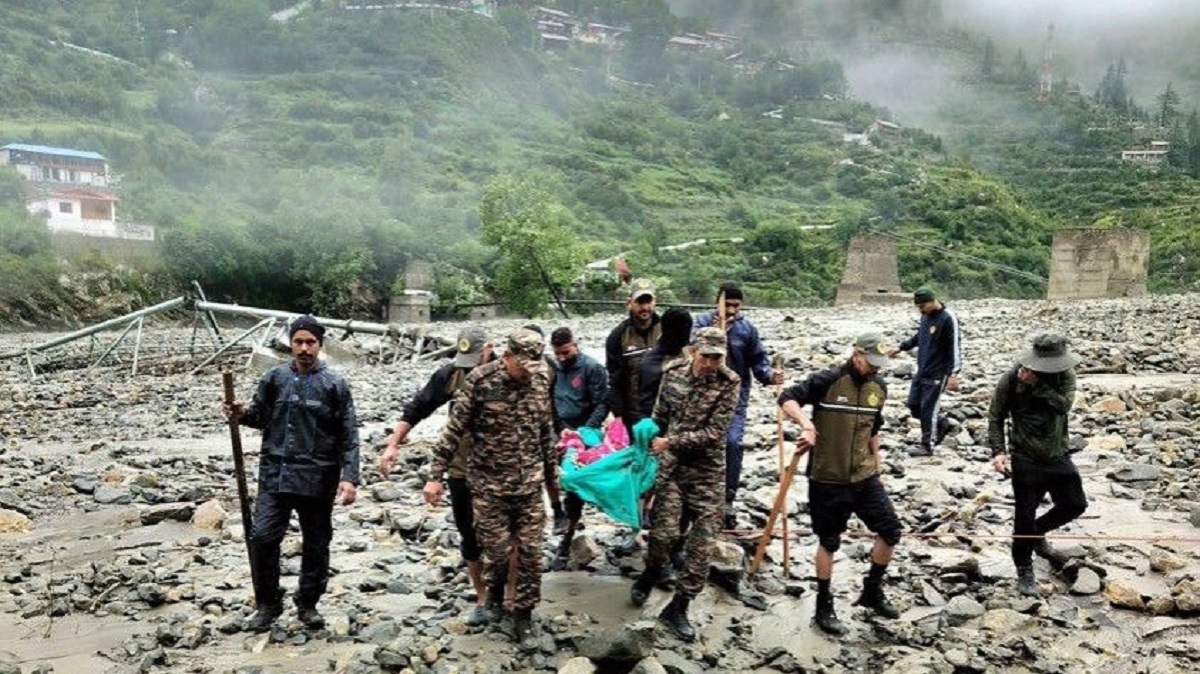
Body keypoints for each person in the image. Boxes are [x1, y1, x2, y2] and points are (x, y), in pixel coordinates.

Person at [223, 315, 360, 633]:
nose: (304, 348)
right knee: (263, 538)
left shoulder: (334, 385)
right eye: (298, 342)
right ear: (290, 344)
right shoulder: (274, 379)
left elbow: (348, 434)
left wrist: (350, 477)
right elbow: (259, 416)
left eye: (310, 342)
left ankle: (308, 603)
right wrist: (240, 414)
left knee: (316, 543)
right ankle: (269, 603)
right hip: (276, 474)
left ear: (320, 345)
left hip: (318, 477)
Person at [423, 329, 555, 646]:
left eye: (533, 366)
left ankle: (523, 614)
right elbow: (453, 432)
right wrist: (435, 476)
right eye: (522, 366)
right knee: (497, 552)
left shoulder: (540, 380)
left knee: (531, 554)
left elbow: (545, 433)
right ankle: (494, 593)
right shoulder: (481, 381)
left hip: (528, 485)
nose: (528, 373)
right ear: (506, 357)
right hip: (489, 486)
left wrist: (553, 479)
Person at [777, 333, 902, 636]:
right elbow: (786, 398)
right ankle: (823, 604)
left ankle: (872, 591)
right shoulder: (828, 380)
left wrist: (877, 463)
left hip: (864, 476)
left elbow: (873, 428)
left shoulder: (878, 388)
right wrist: (807, 424)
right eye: (870, 362)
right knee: (829, 541)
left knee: (891, 531)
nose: (874, 369)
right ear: (856, 354)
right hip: (827, 478)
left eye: (879, 365)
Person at [628, 327, 739, 642]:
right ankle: (650, 573)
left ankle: (679, 606)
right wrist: (646, 437)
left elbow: (715, 434)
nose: (709, 364)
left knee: (701, 547)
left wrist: (670, 442)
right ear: (693, 351)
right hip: (673, 470)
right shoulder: (673, 373)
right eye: (705, 356)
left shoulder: (729, 383)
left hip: (707, 473)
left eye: (716, 358)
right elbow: (660, 415)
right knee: (662, 536)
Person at [378, 327, 492, 624]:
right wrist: (393, 444)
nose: (469, 369)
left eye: (474, 361)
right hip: (461, 467)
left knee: (502, 533)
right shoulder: (451, 375)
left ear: (489, 350)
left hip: (498, 470)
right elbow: (418, 407)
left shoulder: (504, 374)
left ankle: (509, 591)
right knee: (469, 532)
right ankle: (482, 596)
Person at [987, 333, 1086, 597]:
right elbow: (996, 416)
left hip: (1057, 454)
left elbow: (1063, 406)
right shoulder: (1011, 378)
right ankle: (1024, 568)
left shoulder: (1065, 375)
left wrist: (1039, 385)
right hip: (1025, 458)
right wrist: (999, 452)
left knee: (1075, 505)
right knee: (1024, 516)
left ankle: (1038, 533)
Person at [692, 282, 783, 528]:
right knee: (699, 444)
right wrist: (716, 331)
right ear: (717, 302)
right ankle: (695, 499)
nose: (731, 310)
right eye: (727, 304)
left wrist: (769, 375)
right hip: (702, 396)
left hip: (735, 397)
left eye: (736, 305)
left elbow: (758, 361)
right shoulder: (701, 324)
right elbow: (690, 351)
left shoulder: (746, 329)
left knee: (732, 443)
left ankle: (727, 501)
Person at [547, 327, 609, 560]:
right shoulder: (555, 369)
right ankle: (560, 516)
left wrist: (583, 432)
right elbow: (551, 401)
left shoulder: (592, 368)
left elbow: (603, 403)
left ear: (576, 345)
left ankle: (569, 533)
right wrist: (559, 427)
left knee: (575, 485)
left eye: (566, 352)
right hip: (560, 430)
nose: (562, 358)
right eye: (558, 353)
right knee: (551, 474)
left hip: (585, 432)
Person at [889, 286, 962, 457]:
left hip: (938, 372)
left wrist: (954, 373)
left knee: (928, 409)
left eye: (922, 306)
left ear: (932, 301)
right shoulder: (925, 317)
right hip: (922, 369)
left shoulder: (948, 318)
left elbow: (955, 347)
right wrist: (901, 347)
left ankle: (927, 446)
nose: (920, 310)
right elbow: (919, 337)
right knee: (914, 406)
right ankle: (942, 424)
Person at [606, 278, 662, 433]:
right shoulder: (618, 336)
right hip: (633, 414)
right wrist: (619, 416)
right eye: (639, 302)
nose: (645, 307)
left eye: (648, 302)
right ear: (629, 303)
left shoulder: (667, 331)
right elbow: (614, 380)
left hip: (663, 412)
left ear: (655, 302)